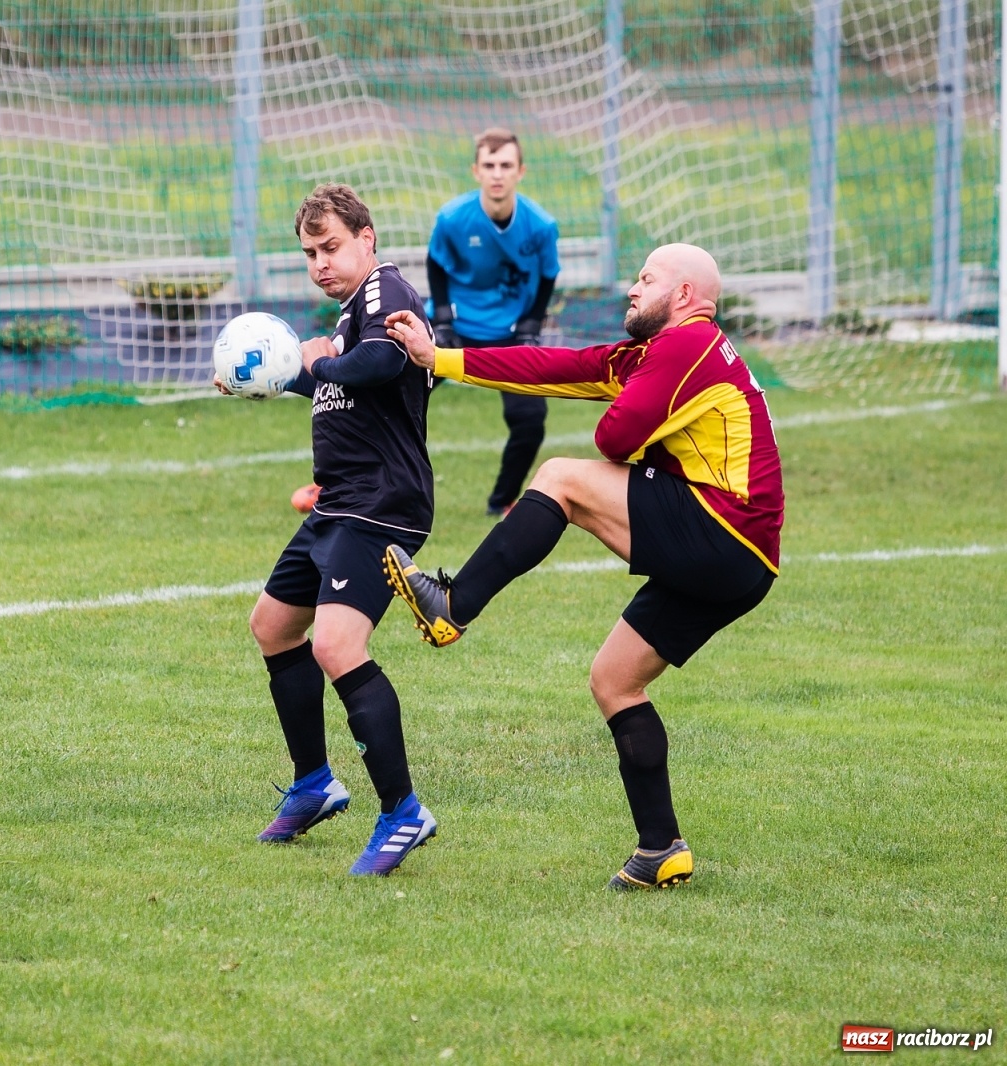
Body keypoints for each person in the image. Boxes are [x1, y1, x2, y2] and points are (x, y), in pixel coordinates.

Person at [379, 243, 782, 891]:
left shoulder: (687, 345)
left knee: (563, 478)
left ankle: (453, 606)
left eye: (645, 278)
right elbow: (555, 366)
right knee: (614, 680)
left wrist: (636, 410)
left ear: (683, 296)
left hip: (722, 532)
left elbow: (613, 440)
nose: (631, 288)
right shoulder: (669, 353)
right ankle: (661, 850)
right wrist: (440, 358)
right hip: (745, 559)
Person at [215, 183, 439, 876]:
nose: (320, 262)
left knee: (339, 646)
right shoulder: (347, 316)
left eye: (332, 247)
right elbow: (338, 382)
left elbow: (383, 362)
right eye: (310, 252)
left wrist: (317, 360)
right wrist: (275, 376)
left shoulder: (385, 293)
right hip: (337, 506)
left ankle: (403, 810)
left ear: (367, 239)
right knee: (273, 627)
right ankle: (315, 783)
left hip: (381, 505)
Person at [426, 127, 560, 516]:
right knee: (394, 398)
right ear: (476, 171)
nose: (497, 173)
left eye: (505, 165)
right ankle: (343, 485)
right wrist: (444, 320)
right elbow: (436, 262)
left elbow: (549, 274)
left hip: (511, 335)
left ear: (521, 171)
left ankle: (501, 502)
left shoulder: (541, 225)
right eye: (489, 165)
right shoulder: (452, 218)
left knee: (530, 420)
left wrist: (532, 323)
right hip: (457, 329)